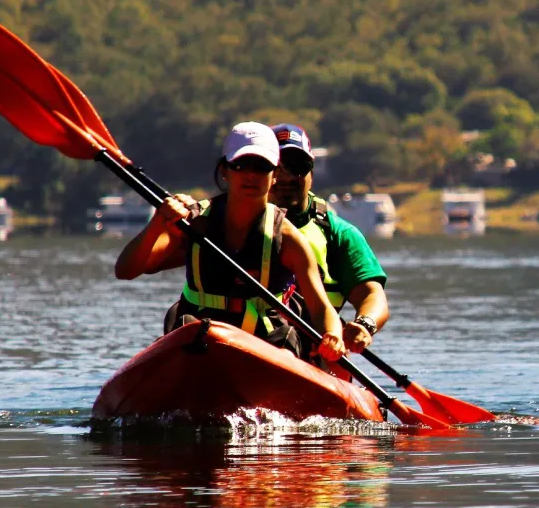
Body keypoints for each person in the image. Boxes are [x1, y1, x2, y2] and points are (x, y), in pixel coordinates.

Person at [114, 121, 346, 363]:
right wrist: (158, 222)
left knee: (285, 338)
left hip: (262, 345)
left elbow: (321, 309)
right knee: (185, 325)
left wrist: (333, 334)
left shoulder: (288, 238)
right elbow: (126, 270)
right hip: (200, 339)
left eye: (261, 167)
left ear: (275, 175)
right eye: (241, 165)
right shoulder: (195, 222)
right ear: (225, 170)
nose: (251, 175)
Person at [267, 123, 389, 357]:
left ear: (311, 174)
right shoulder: (235, 222)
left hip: (314, 352)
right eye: (277, 168)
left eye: (298, 167)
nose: (288, 177)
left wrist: (365, 325)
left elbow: (372, 295)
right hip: (251, 342)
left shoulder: (340, 234)